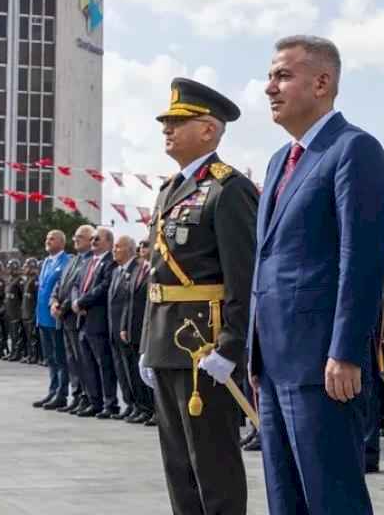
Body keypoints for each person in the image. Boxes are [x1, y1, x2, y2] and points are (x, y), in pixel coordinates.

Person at [248, 36, 384, 513]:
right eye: (270, 76)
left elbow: (362, 258)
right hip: (274, 361)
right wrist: (254, 353)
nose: (270, 87)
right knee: (284, 499)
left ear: (322, 82)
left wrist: (346, 351)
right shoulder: (279, 161)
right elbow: (267, 262)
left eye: (283, 76)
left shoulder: (353, 149)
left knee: (332, 499)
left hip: (323, 364)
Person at [139, 77, 258, 515]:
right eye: (166, 122)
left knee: (213, 464)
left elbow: (243, 279)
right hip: (166, 344)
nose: (167, 129)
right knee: (178, 465)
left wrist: (231, 346)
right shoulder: (169, 189)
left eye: (177, 122)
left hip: (204, 347)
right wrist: (146, 344)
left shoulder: (229, 189)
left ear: (208, 130)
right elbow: (156, 276)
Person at [73, 227, 119, 418]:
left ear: (108, 242)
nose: (93, 241)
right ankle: (95, 402)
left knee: (104, 365)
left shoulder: (110, 263)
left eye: (97, 239)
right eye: (91, 239)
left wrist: (82, 301)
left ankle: (110, 404)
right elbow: (76, 284)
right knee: (88, 365)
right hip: (83, 320)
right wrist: (76, 301)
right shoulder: (88, 262)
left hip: (98, 321)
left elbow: (104, 287)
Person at [51, 225, 95, 413]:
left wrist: (65, 305)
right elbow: (60, 284)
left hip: (75, 317)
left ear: (91, 240)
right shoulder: (72, 260)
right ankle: (76, 396)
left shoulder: (90, 261)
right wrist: (53, 301)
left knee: (81, 360)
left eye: (80, 237)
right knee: (71, 361)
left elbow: (77, 288)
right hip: (64, 317)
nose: (76, 239)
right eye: (75, 236)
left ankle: (86, 397)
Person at [33, 231, 73, 410]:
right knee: (50, 358)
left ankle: (61, 393)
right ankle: (52, 389)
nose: (47, 241)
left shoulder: (66, 261)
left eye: (52, 239)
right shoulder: (47, 262)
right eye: (47, 238)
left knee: (60, 358)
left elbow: (65, 288)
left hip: (55, 318)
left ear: (62, 243)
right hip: (42, 317)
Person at [107, 235, 142, 422]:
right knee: (122, 371)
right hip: (115, 329)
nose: (114, 250)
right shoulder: (116, 272)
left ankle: (140, 405)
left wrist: (124, 326)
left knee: (133, 371)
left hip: (128, 329)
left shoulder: (136, 270)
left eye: (118, 247)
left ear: (129, 249)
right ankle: (130, 403)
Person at [122, 240, 154, 425]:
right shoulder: (138, 270)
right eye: (141, 247)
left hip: (147, 328)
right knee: (137, 372)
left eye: (147, 246)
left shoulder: (155, 270)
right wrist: (124, 326)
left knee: (151, 373)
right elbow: (129, 300)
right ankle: (142, 407)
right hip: (133, 329)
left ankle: (153, 409)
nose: (143, 249)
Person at [21, 258, 42, 364]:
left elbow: (37, 298)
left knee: (33, 337)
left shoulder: (35, 280)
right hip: (26, 312)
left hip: (32, 312)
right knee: (28, 337)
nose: (24, 268)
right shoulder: (27, 280)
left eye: (26, 266)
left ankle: (35, 356)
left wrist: (35, 313)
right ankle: (30, 355)